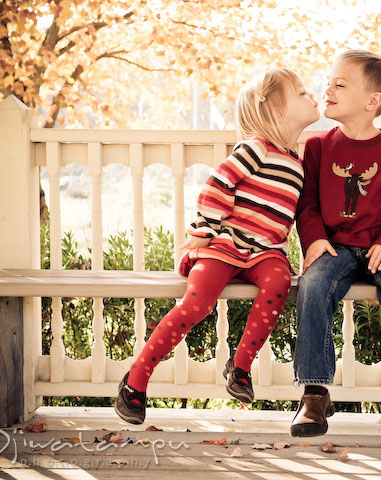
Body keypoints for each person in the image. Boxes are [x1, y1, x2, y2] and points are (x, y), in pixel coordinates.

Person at [115, 69, 319, 425]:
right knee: (197, 305)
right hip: (225, 244)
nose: (311, 94)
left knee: (279, 282)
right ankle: (136, 381)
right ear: (276, 112)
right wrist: (204, 231)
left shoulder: (298, 163)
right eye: (301, 92)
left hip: (265, 250)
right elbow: (217, 185)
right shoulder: (256, 147)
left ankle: (240, 365)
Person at [290, 50, 381, 439]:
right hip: (334, 247)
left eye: (340, 84)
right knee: (314, 285)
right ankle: (314, 392)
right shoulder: (318, 148)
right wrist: (314, 238)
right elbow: (308, 202)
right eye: (328, 82)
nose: (328, 89)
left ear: (373, 101)